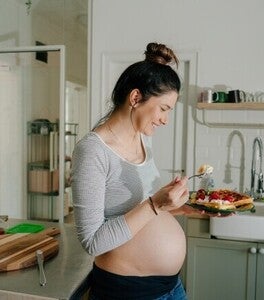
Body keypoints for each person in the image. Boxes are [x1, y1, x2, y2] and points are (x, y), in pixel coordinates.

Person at [71, 42, 204, 300]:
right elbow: (93, 242)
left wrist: (182, 207)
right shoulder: (92, 151)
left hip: (171, 288)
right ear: (135, 98)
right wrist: (156, 204)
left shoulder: (143, 138)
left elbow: (137, 212)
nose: (165, 120)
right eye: (164, 109)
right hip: (128, 293)